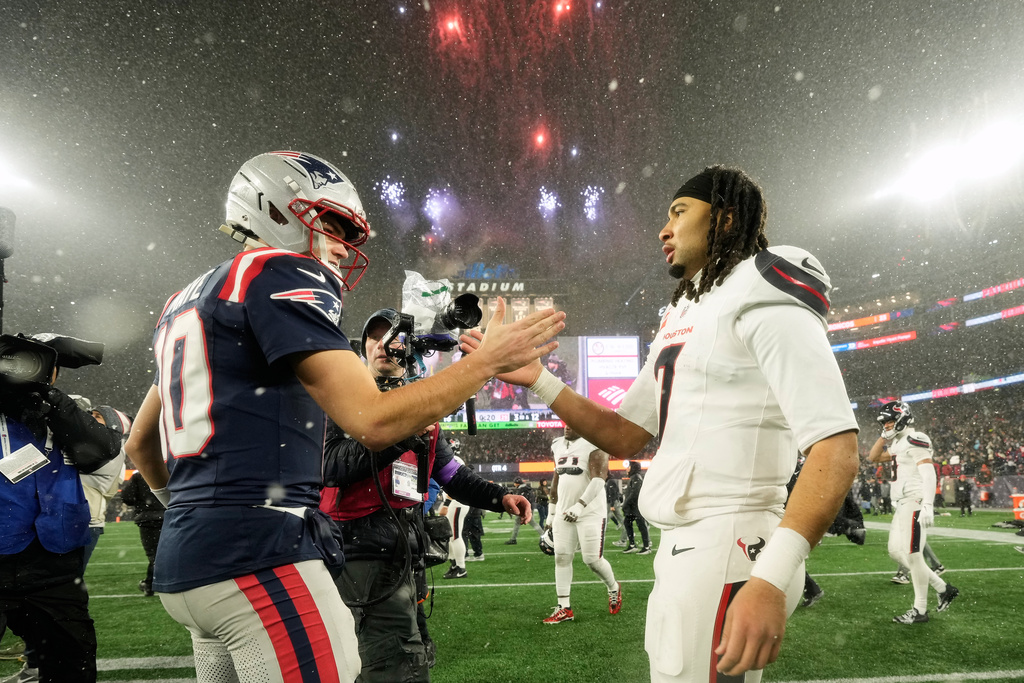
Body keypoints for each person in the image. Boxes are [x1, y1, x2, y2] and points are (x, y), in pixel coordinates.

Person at [124, 151, 562, 683]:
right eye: (329, 223)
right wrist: (488, 362)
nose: (341, 244)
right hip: (257, 552)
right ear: (275, 209)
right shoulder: (276, 270)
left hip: (186, 562)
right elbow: (371, 420)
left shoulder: (189, 297)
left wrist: (194, 513)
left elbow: (141, 445)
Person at [461, 165, 859, 680]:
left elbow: (836, 447)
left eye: (679, 213)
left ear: (726, 218)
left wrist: (770, 578)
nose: (663, 230)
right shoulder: (689, 306)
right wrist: (539, 379)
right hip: (685, 546)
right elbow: (625, 433)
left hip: (732, 539)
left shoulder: (762, 285)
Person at [319, 307, 536, 682]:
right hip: (360, 553)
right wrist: (401, 428)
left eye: (394, 336)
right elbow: (331, 467)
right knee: (393, 667)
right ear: (364, 347)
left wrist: (499, 497)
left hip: (406, 553)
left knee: (406, 659)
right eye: (375, 336)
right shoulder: (341, 398)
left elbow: (452, 474)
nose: (385, 344)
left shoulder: (422, 404)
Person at [0, 337, 121, 683]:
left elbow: (100, 451)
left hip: (53, 557)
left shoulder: (54, 409)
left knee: (72, 664)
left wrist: (50, 398)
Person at [867, 401, 959, 624]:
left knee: (913, 554)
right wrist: (884, 435)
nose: (887, 425)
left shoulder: (915, 438)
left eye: (890, 421)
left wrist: (927, 504)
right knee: (896, 552)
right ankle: (943, 587)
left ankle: (919, 610)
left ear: (902, 418)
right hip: (902, 502)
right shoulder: (899, 441)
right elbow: (873, 457)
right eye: (884, 422)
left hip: (915, 500)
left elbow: (928, 473)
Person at [542, 425, 622, 624]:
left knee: (592, 560)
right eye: (565, 422)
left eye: (573, 422)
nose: (568, 426)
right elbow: (557, 477)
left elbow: (598, 480)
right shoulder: (557, 444)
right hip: (563, 510)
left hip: (590, 512)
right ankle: (564, 607)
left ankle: (613, 587)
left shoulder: (595, 444)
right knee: (561, 557)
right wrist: (552, 512)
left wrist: (579, 506)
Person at [79, 405, 131, 570]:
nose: (91, 418)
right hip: (78, 520)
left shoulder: (110, 450)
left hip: (86, 522)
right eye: (91, 415)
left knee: (66, 580)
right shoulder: (110, 448)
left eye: (98, 416)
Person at [120, 468, 166, 597]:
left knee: (155, 555)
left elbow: (127, 497)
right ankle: (151, 583)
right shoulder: (171, 470)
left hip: (148, 519)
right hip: (168, 516)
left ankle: (151, 584)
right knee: (165, 552)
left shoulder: (139, 476)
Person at [621, 461, 651, 554]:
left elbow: (635, 493)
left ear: (633, 467)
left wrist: (626, 504)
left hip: (636, 507)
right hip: (633, 507)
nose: (627, 469)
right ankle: (632, 545)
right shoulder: (634, 477)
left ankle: (646, 547)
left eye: (629, 467)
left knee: (641, 526)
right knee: (627, 523)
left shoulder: (636, 477)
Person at [506, 477, 543, 544]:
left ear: (517, 483)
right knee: (532, 523)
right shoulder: (527, 488)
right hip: (529, 508)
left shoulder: (522, 490)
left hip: (524, 510)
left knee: (525, 523)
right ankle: (543, 536)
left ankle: (513, 539)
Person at [607, 474, 629, 546]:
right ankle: (628, 534)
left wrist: (612, 505)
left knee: (605, 518)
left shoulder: (610, 481)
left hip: (612, 503)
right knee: (621, 520)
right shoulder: (610, 481)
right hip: (613, 502)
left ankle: (626, 536)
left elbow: (612, 494)